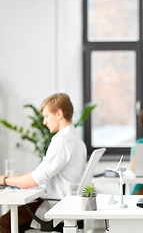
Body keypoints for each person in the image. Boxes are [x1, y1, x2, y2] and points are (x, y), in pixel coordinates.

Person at [0, 93, 87, 232]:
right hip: (69, 203)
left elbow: (35, 180)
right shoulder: (76, 139)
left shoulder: (62, 140)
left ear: (59, 114)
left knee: (4, 222)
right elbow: (39, 173)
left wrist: (4, 180)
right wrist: (11, 179)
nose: (45, 122)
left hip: (57, 206)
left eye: (46, 116)